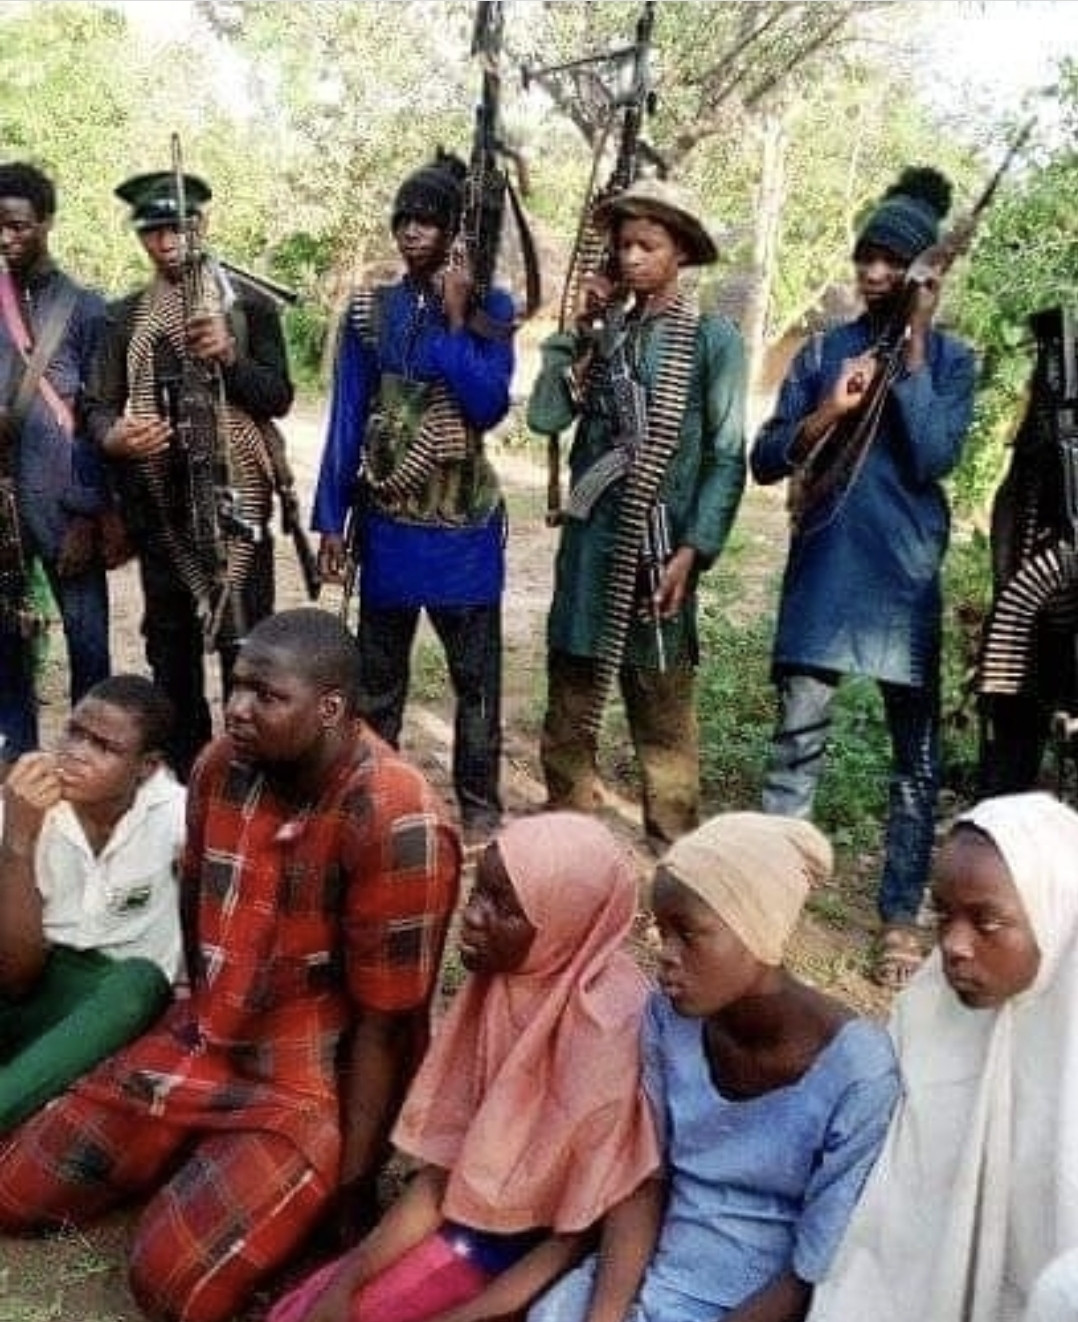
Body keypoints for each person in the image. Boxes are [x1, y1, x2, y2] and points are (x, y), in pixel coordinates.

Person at [0, 607, 461, 1322]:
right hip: (210, 1033)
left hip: (310, 1079)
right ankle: (198, 1153)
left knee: (171, 1285)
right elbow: (197, 916)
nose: (238, 709)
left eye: (266, 697)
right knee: (13, 1191)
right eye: (237, 687)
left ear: (332, 708)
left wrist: (353, 1189)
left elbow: (388, 1026)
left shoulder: (396, 819)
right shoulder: (222, 769)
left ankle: (258, 1175)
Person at [266, 811, 660, 1322]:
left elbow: (576, 1235)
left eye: (504, 907)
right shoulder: (504, 984)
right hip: (461, 1225)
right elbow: (442, 1178)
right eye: (479, 893)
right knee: (307, 1311)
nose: (472, 916)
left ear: (565, 922)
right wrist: (352, 1274)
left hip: (526, 1268)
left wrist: (467, 1315)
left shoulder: (608, 1035)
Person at [528, 811, 901, 1322]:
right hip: (655, 1269)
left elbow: (811, 1270)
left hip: (762, 1305)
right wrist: (607, 1315)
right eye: (662, 931)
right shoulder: (668, 1019)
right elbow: (645, 1182)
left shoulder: (859, 1073)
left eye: (689, 933)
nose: (666, 955)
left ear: (759, 931)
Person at [750, 166, 977, 989]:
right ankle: (773, 897)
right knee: (796, 745)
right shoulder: (823, 351)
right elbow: (766, 458)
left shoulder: (952, 362)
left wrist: (914, 342)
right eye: (866, 257)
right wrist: (828, 413)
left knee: (914, 764)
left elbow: (936, 454)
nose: (874, 274)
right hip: (826, 576)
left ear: (922, 274)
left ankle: (897, 916)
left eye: (892, 261)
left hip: (904, 583)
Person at [526, 175, 747, 852]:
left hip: (659, 550)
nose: (630, 258)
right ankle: (568, 839)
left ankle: (677, 851)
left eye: (647, 245)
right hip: (593, 553)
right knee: (570, 702)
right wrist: (577, 334)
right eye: (623, 246)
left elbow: (727, 455)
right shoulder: (602, 337)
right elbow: (544, 416)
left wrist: (694, 548)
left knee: (663, 713)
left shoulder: (711, 341)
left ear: (680, 253)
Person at [806, 791, 1078, 1322]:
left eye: (987, 921)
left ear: (1057, 910)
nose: (953, 945)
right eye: (943, 916)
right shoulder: (928, 1022)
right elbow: (884, 1231)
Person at [312, 150, 515, 848]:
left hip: (463, 533)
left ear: (454, 228)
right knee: (377, 682)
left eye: (427, 220)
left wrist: (459, 319)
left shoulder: (491, 305)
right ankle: (373, 794)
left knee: (476, 681)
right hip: (391, 528)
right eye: (403, 219)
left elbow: (487, 404)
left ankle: (480, 803)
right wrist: (331, 518)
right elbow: (346, 414)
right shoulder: (374, 309)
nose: (411, 232)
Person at [84, 164, 295, 782]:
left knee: (249, 654)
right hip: (161, 514)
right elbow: (97, 405)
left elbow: (277, 396)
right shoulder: (124, 319)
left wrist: (229, 355)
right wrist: (115, 437)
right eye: (154, 232)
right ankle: (188, 782)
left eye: (178, 228)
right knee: (171, 656)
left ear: (202, 226)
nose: (167, 242)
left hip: (237, 512)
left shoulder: (246, 308)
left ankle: (250, 779)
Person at [0, 673, 184, 1135]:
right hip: (33, 989)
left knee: (140, 981)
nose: (76, 754)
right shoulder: (23, 801)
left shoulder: (179, 818)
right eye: (74, 733)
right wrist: (18, 838)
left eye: (104, 747)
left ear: (147, 767)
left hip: (111, 1014)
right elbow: (16, 978)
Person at [0, 161, 111, 766]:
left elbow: (97, 418)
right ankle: (18, 764)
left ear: (46, 223)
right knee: (6, 646)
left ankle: (91, 766)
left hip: (68, 507)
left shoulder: (86, 309)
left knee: (88, 643)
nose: (6, 238)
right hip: (3, 509)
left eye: (17, 226)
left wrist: (89, 515)